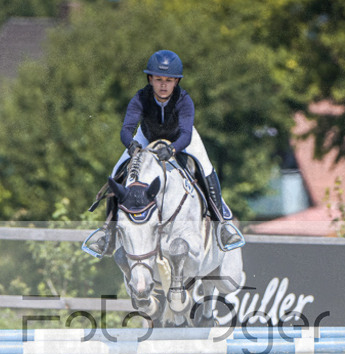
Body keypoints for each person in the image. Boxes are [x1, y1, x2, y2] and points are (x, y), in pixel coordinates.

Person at [83, 49, 245, 258]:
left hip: (181, 139)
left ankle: (221, 224)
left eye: (168, 80)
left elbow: (186, 135)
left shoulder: (184, 100)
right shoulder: (140, 97)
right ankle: (108, 233)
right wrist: (130, 144)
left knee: (206, 168)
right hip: (147, 136)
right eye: (158, 79)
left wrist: (173, 149)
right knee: (117, 171)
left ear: (176, 81)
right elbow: (126, 129)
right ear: (150, 79)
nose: (163, 85)